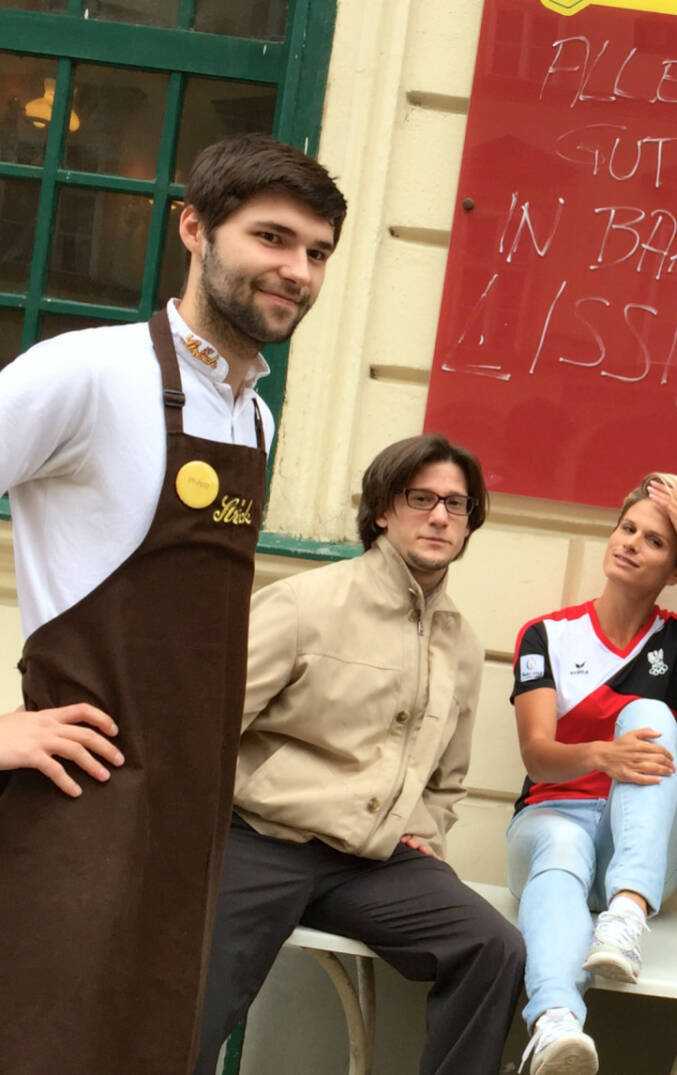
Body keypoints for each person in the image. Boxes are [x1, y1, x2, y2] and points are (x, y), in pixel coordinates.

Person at [0, 133, 345, 1073]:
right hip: (77, 809)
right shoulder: (85, 373)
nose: (297, 270)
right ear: (193, 228)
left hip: (190, 818)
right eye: (272, 239)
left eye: (317, 252)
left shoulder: (254, 413)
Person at [192, 433, 524, 1075]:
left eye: (456, 505)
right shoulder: (302, 604)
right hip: (261, 838)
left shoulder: (461, 643)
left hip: (372, 862)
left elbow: (446, 780)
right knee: (193, 1001)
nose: (439, 517)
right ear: (381, 510)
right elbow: (208, 725)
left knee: (495, 947)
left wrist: (425, 831)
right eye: (420, 497)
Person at [507, 473, 677, 1075]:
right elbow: (536, 754)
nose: (632, 543)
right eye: (627, 528)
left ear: (676, 570)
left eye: (657, 541)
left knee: (650, 712)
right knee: (562, 838)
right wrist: (597, 755)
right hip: (550, 824)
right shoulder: (548, 635)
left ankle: (627, 913)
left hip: (636, 847)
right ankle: (554, 1025)